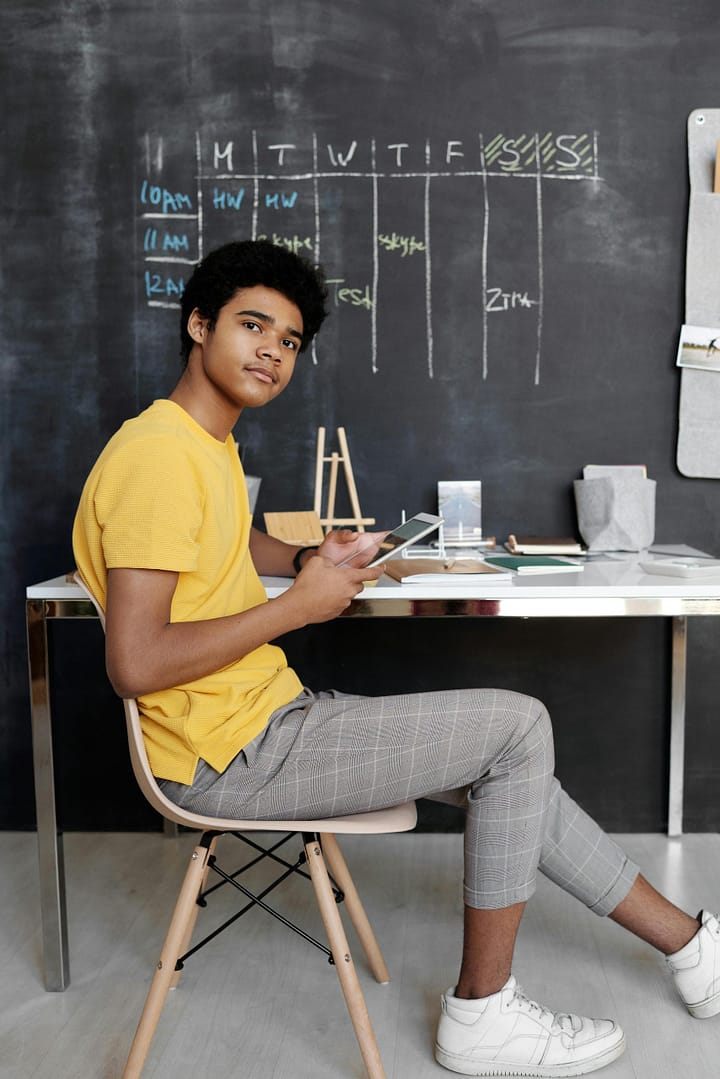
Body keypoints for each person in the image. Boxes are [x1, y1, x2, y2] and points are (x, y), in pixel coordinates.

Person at [72, 239, 720, 1077]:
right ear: (199, 325)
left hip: (262, 722)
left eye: (290, 340)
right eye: (252, 325)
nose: (272, 351)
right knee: (519, 730)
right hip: (230, 755)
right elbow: (135, 661)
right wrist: (296, 607)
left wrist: (305, 556)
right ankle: (483, 1013)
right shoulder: (158, 457)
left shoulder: (202, 443)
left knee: (515, 771)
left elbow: (223, 540)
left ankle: (692, 947)